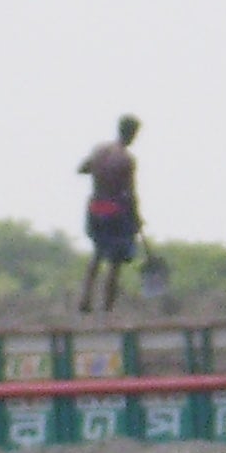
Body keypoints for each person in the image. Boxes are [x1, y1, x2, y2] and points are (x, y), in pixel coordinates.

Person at [79, 115, 143, 313]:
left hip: (96, 207)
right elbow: (130, 192)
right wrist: (136, 218)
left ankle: (85, 299)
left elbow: (82, 169)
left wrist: (100, 172)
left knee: (97, 254)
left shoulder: (99, 151)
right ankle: (107, 308)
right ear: (132, 134)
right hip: (115, 210)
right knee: (115, 261)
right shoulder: (126, 159)